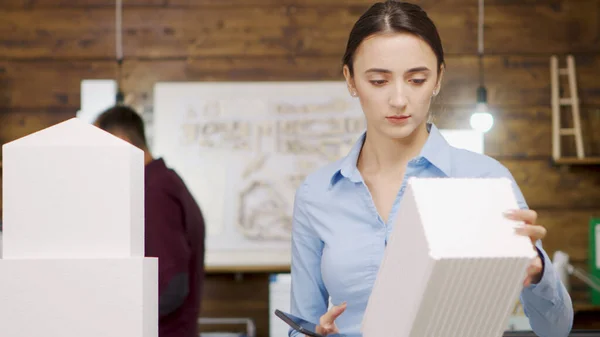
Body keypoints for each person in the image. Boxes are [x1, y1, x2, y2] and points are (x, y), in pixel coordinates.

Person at [288, 1, 573, 337]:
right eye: (379, 81)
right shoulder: (316, 194)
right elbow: (301, 324)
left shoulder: (485, 181)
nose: (398, 99)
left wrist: (537, 271)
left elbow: (556, 330)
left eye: (417, 79)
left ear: (438, 78)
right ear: (350, 80)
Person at [94, 106, 206, 337]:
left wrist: (118, 321)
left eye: (100, 148)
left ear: (121, 141)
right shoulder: (165, 181)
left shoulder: (155, 191)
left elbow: (172, 285)